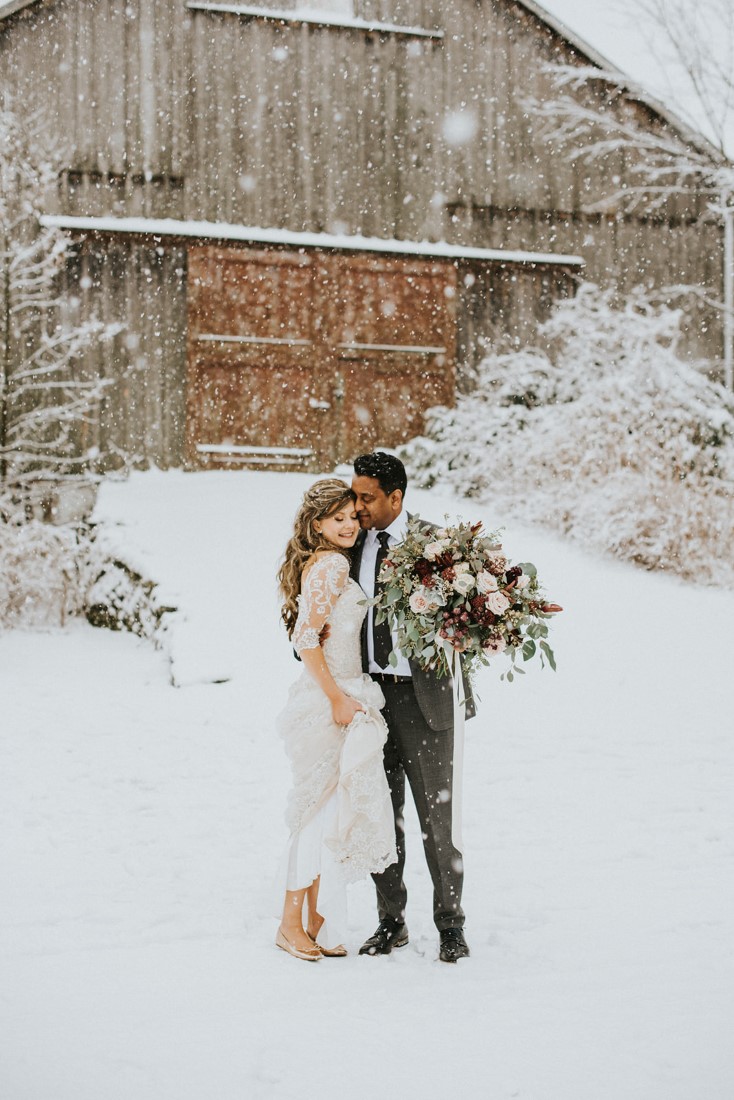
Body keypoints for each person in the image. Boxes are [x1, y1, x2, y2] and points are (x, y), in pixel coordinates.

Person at [351, 452, 474, 964]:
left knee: (436, 820)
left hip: (424, 702)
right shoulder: (347, 540)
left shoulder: (437, 546)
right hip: (368, 700)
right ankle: (391, 921)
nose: (357, 507)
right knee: (382, 816)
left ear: (395, 498)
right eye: (354, 495)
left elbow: (467, 622)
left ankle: (450, 925)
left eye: (367, 498)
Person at [274, 479, 397, 962]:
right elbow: (306, 640)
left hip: (345, 691)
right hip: (333, 700)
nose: (349, 525)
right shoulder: (328, 565)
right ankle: (290, 924)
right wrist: (337, 699)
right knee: (315, 815)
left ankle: (317, 922)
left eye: (352, 516)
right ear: (317, 524)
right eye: (338, 518)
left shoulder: (328, 562)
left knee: (327, 813)